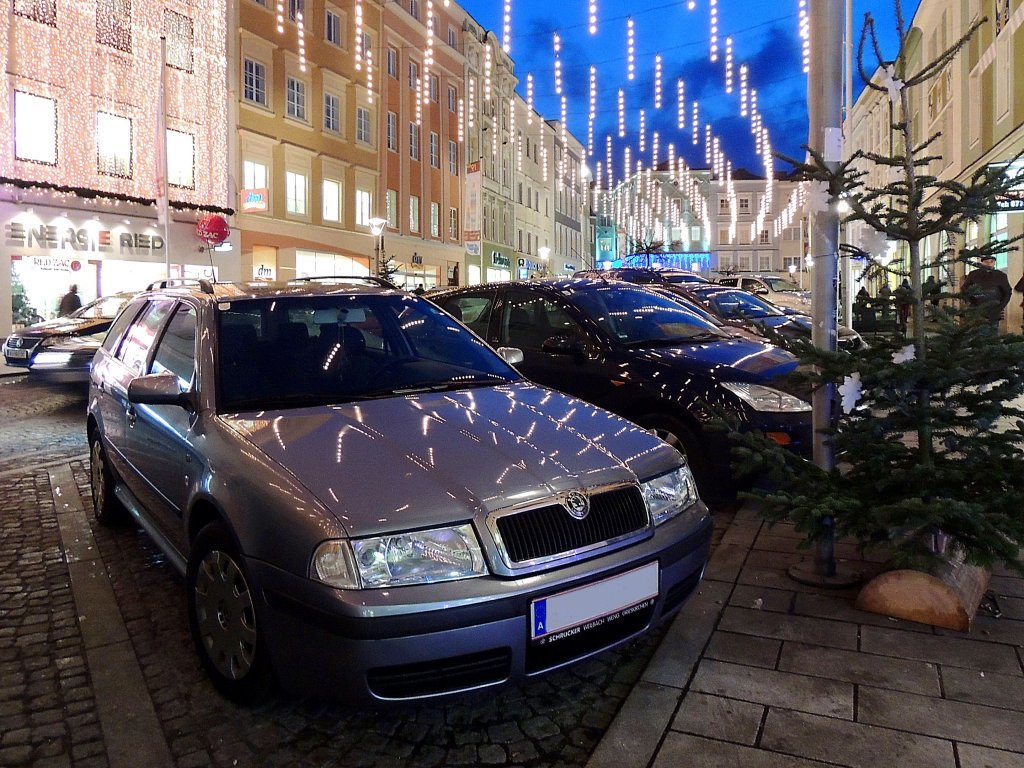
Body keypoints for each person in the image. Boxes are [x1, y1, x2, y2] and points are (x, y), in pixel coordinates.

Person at [961, 255, 1011, 328]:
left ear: (994, 263)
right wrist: (971, 302)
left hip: (994, 310)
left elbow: (1007, 292)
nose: (989, 263)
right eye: (986, 261)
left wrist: (1000, 307)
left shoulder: (1001, 275)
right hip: (977, 309)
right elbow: (964, 289)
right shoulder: (974, 274)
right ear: (982, 262)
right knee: (977, 333)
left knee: (992, 334)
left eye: (991, 261)